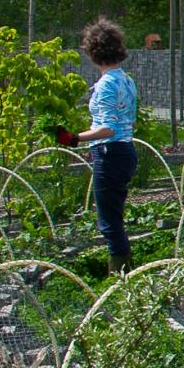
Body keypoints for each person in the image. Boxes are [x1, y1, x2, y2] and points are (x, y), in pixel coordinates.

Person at [56, 19, 139, 274]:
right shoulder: (126, 80)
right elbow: (128, 120)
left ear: (93, 53)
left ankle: (121, 279)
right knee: (114, 214)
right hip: (126, 151)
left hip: (110, 152)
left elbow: (108, 128)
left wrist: (74, 138)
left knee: (109, 221)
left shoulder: (105, 86)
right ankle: (124, 272)